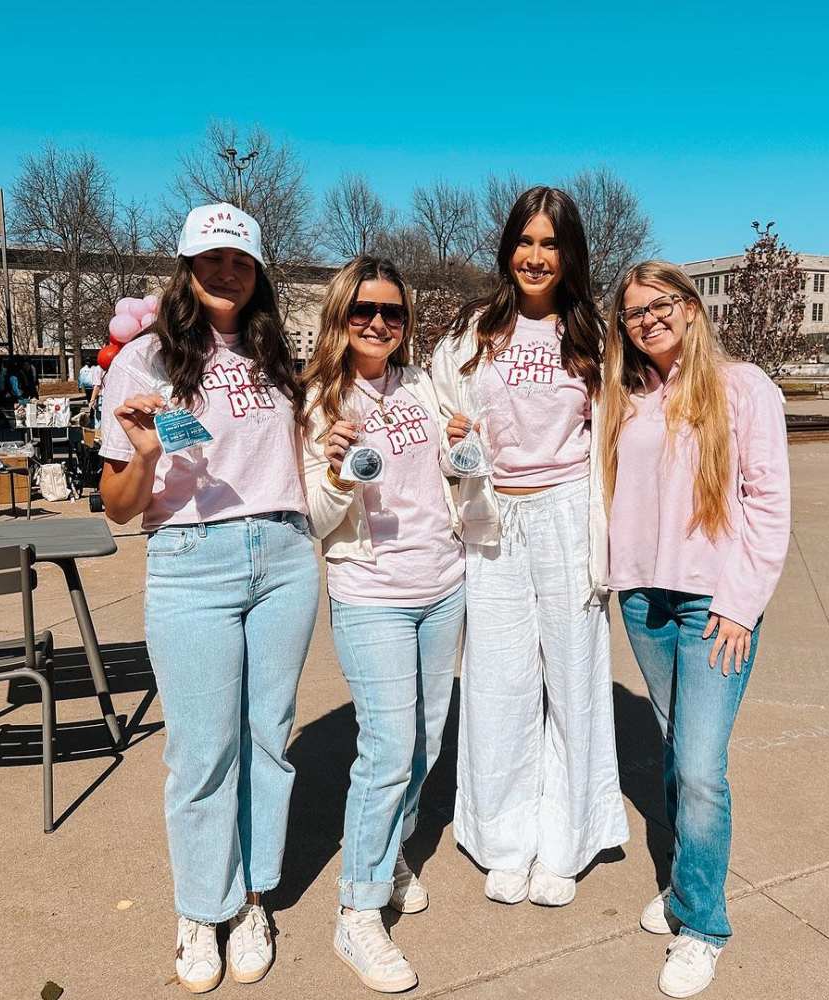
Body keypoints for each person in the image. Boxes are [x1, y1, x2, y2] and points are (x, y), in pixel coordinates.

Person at [99, 203, 319, 994]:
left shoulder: (275, 357)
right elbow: (118, 506)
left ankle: (253, 896)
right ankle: (201, 906)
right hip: (193, 560)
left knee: (268, 738)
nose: (227, 271)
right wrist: (149, 454)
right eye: (212, 257)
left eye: (241, 259)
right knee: (199, 749)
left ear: (257, 271)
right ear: (187, 265)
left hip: (287, 554)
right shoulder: (146, 361)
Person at [431, 186, 628, 909]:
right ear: (508, 247)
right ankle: (504, 839)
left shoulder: (594, 335)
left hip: (569, 517)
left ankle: (567, 840)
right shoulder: (474, 330)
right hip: (493, 523)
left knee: (573, 683)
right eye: (526, 241)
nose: (536, 256)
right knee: (498, 685)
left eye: (551, 243)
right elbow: (438, 414)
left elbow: (618, 436)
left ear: (569, 253)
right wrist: (454, 441)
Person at [601, 261, 790, 997]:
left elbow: (768, 505)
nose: (648, 319)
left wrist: (741, 603)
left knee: (701, 768)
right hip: (645, 599)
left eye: (661, 305)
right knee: (677, 749)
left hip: (715, 606)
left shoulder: (744, 387)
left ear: (689, 306)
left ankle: (704, 925)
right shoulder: (626, 397)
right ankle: (685, 885)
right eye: (633, 312)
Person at [301, 256, 466, 993]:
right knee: (388, 750)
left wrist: (462, 444)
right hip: (372, 593)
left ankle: (391, 851)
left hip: (443, 586)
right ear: (341, 315)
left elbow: (451, 475)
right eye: (364, 310)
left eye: (392, 313)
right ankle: (356, 910)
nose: (378, 323)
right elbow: (314, 518)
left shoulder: (421, 388)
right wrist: (335, 471)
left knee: (424, 744)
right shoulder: (315, 402)